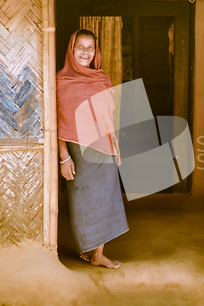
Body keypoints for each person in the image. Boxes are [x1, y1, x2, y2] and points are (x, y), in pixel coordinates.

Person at [56, 29, 128, 269]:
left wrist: (115, 143)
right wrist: (64, 156)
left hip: (104, 147)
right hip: (79, 151)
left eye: (91, 47)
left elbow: (107, 115)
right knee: (83, 201)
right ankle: (86, 248)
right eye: (80, 46)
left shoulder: (101, 78)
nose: (86, 51)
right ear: (71, 48)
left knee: (106, 200)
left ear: (96, 51)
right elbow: (57, 121)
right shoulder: (61, 81)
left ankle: (98, 254)